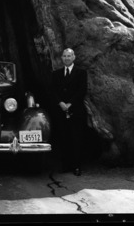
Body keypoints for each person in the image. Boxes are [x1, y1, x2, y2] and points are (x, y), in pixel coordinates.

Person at [51, 48, 88, 176]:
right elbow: (53, 91)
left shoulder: (81, 73)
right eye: (64, 56)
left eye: (69, 56)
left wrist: (70, 104)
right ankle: (65, 165)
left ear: (74, 57)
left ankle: (76, 166)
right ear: (61, 58)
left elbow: (82, 90)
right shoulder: (56, 74)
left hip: (76, 110)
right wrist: (60, 103)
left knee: (76, 138)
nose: (67, 58)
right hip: (60, 110)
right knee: (63, 137)